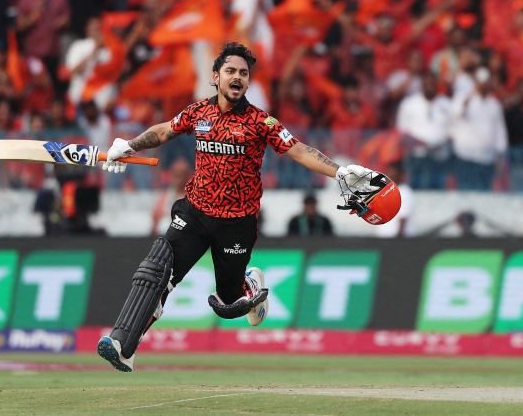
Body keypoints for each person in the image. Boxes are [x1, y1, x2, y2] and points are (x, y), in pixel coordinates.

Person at [95, 42, 393, 372]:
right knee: (157, 270)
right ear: (216, 77)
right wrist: (128, 145)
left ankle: (248, 285)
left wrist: (339, 171)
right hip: (194, 213)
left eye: (244, 73)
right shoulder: (198, 112)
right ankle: (124, 345)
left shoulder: (260, 122)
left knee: (228, 302)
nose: (237, 77)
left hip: (237, 224)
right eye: (231, 71)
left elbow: (299, 151)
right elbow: (165, 130)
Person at [450, 67, 508, 190]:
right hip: (465, 157)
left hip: (486, 158)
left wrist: (501, 155)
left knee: (484, 193)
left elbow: (500, 132)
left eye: (485, 82)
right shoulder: (464, 99)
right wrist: (470, 96)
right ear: (475, 82)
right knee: (465, 192)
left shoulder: (494, 104)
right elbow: (455, 114)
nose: (483, 85)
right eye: (480, 82)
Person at [396, 71, 452, 189]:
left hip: (439, 157)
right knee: (417, 189)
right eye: (426, 83)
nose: (429, 85)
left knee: (438, 190)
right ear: (421, 84)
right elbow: (402, 132)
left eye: (432, 83)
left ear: (436, 84)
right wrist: (420, 144)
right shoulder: (409, 104)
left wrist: (438, 143)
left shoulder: (446, 104)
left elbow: (452, 131)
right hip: (417, 157)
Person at [373, 160, 414, 238]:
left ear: (400, 175)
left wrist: (397, 242)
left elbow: (403, 217)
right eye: (388, 174)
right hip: (382, 239)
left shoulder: (404, 192)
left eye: (393, 174)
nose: (390, 177)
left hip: (397, 240)